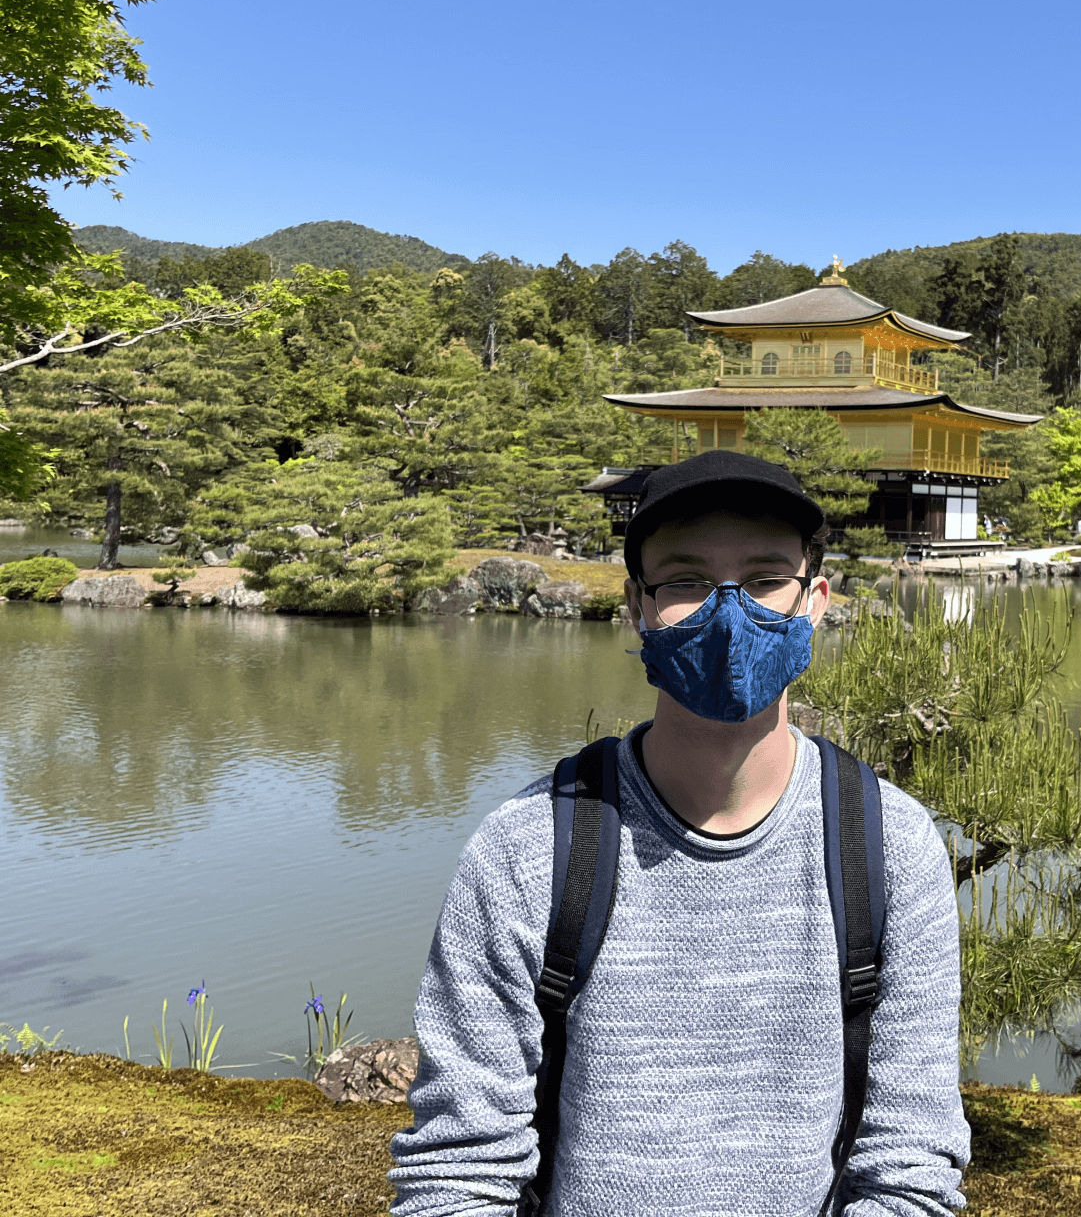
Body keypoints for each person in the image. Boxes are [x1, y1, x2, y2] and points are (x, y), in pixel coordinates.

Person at [388, 450, 969, 1215]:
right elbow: (458, 1174)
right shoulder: (528, 850)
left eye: (765, 580)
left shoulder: (891, 848)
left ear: (816, 601)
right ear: (636, 606)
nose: (729, 615)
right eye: (687, 582)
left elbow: (909, 1168)